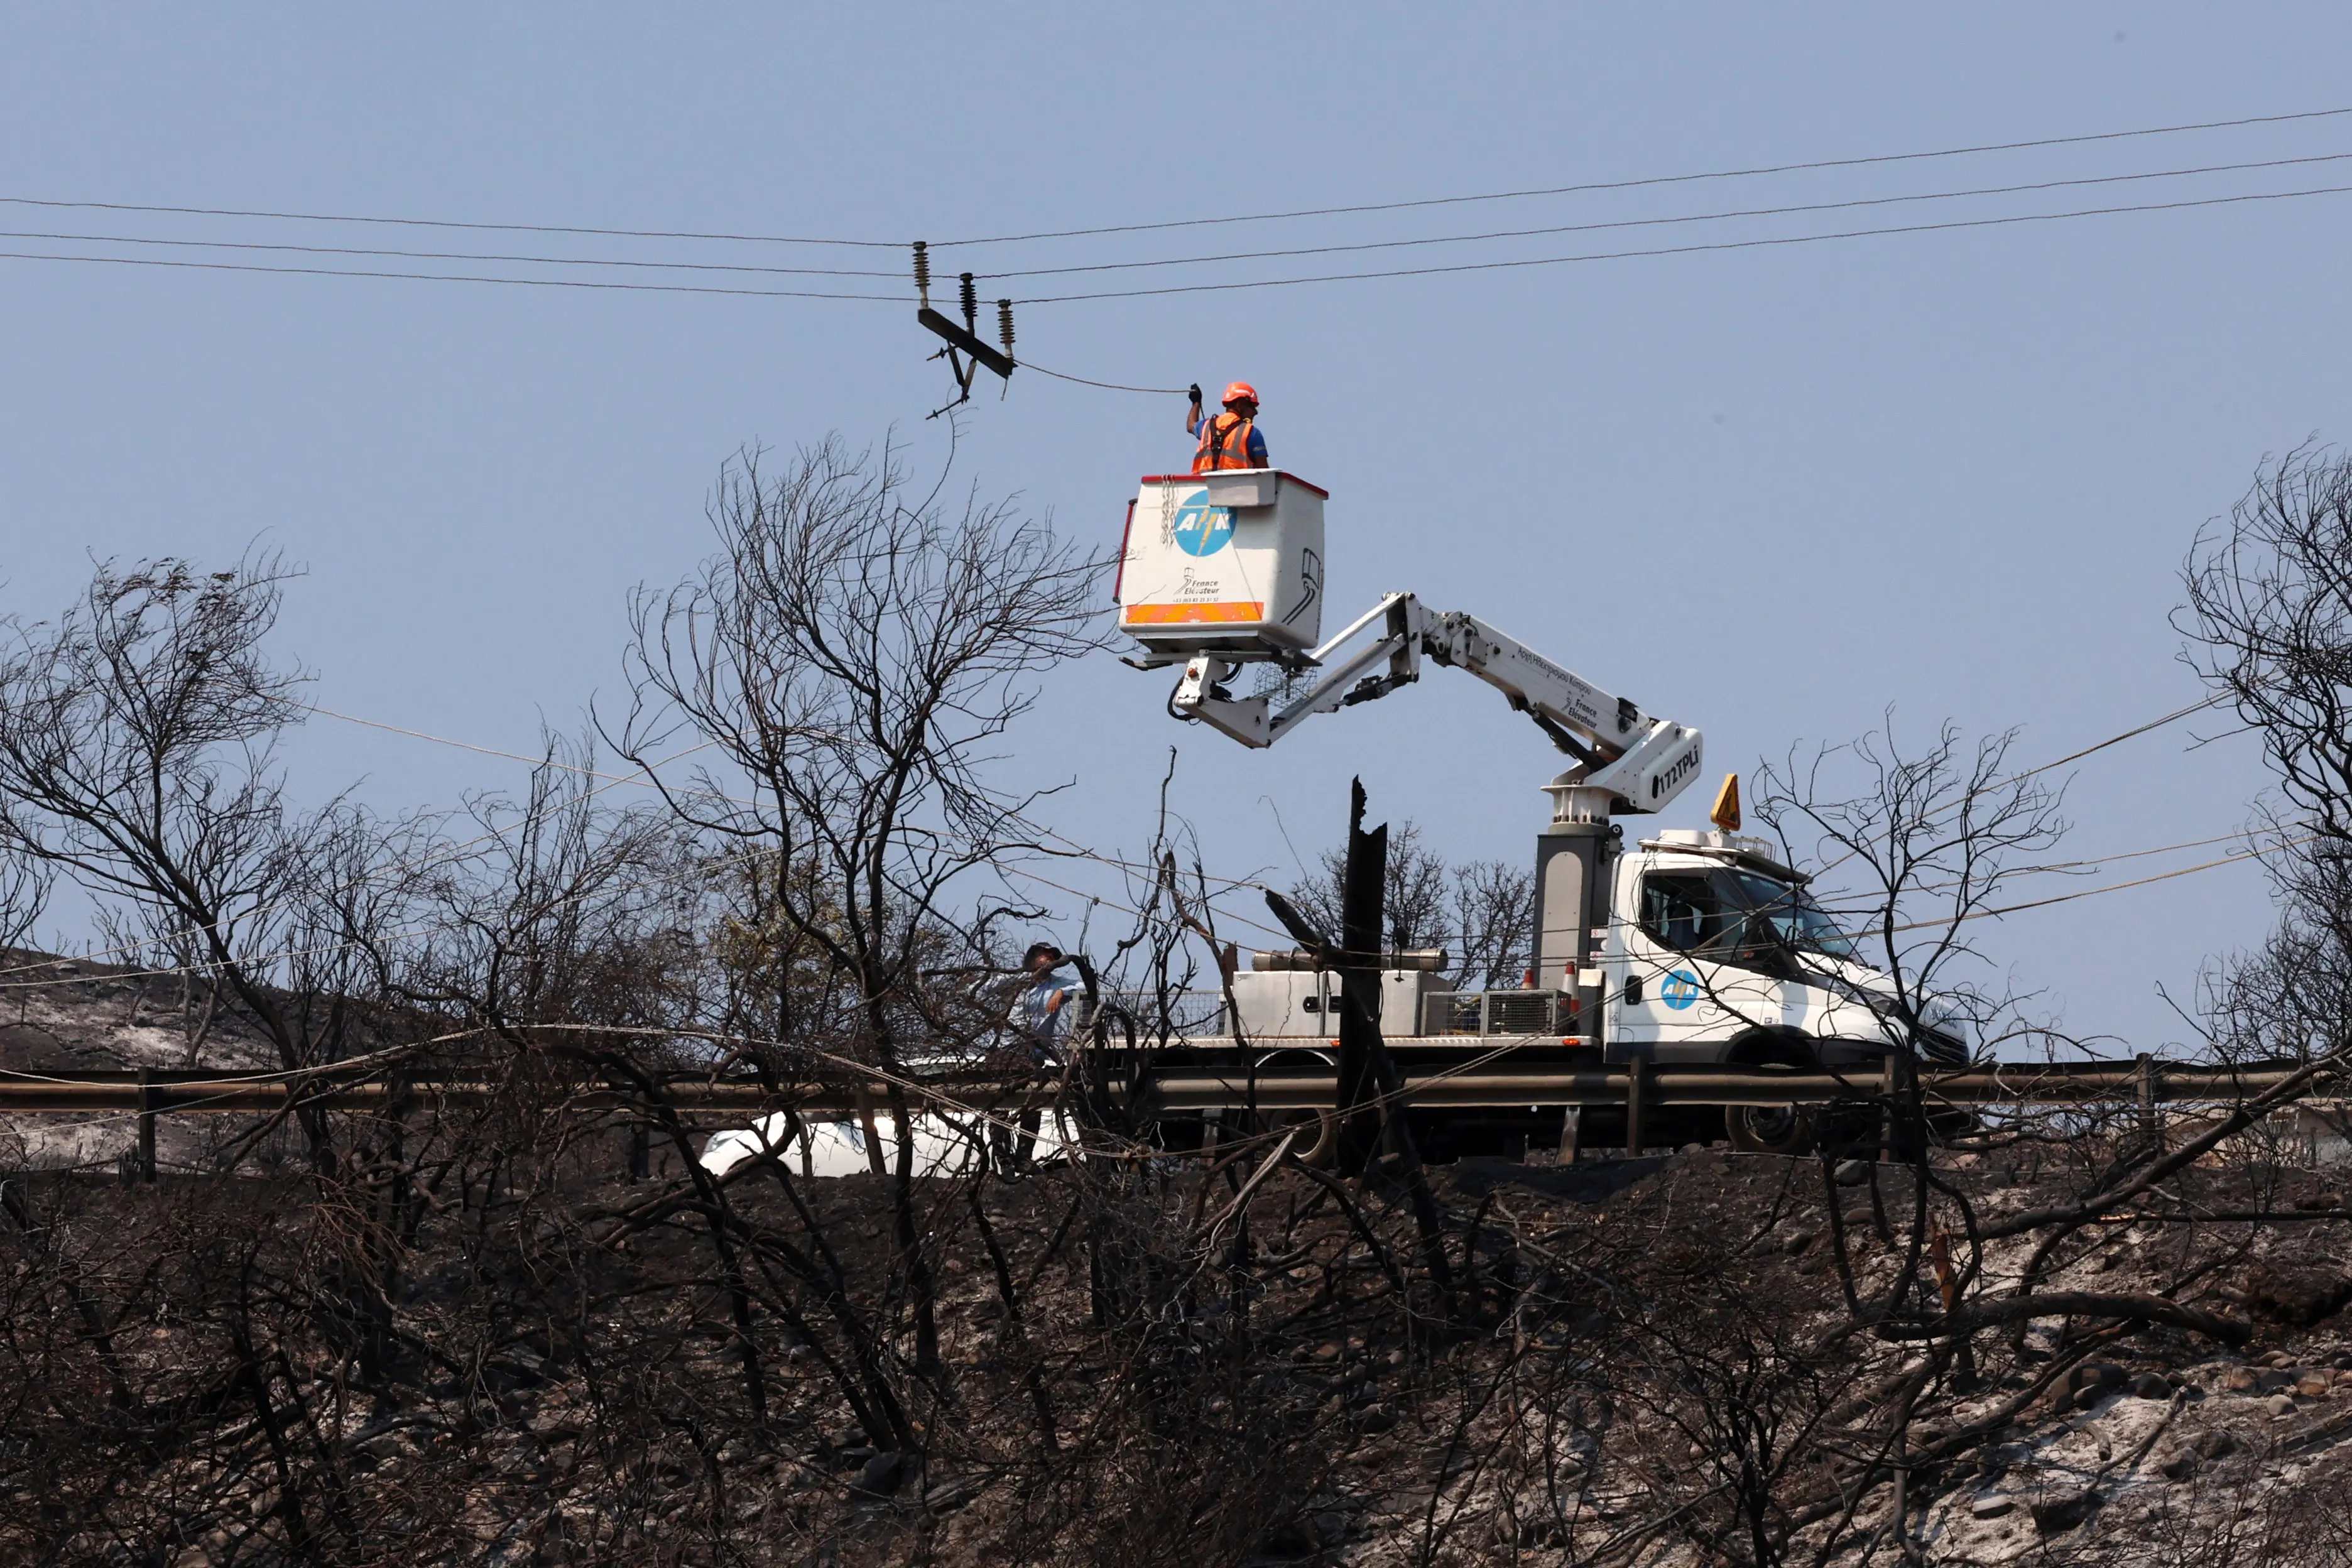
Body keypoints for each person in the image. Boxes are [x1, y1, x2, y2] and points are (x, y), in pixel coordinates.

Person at [993, 942, 1069, 1171]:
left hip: (1034, 1054)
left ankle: (1024, 1157)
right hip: (1005, 1050)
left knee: (1031, 1103)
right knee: (999, 1106)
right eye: (1040, 955)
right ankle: (1004, 1159)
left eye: (1049, 956)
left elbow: (1084, 986)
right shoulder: (1015, 982)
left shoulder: (1058, 984)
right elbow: (976, 989)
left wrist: (1062, 992)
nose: (1045, 959)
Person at [1187, 381, 1268, 472]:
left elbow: (1191, 426)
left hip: (1203, 485)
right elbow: (1264, 473)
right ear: (1240, 405)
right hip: (1238, 486)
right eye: (1252, 406)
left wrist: (1196, 403)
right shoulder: (1252, 433)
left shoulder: (1207, 426)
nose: (1255, 412)